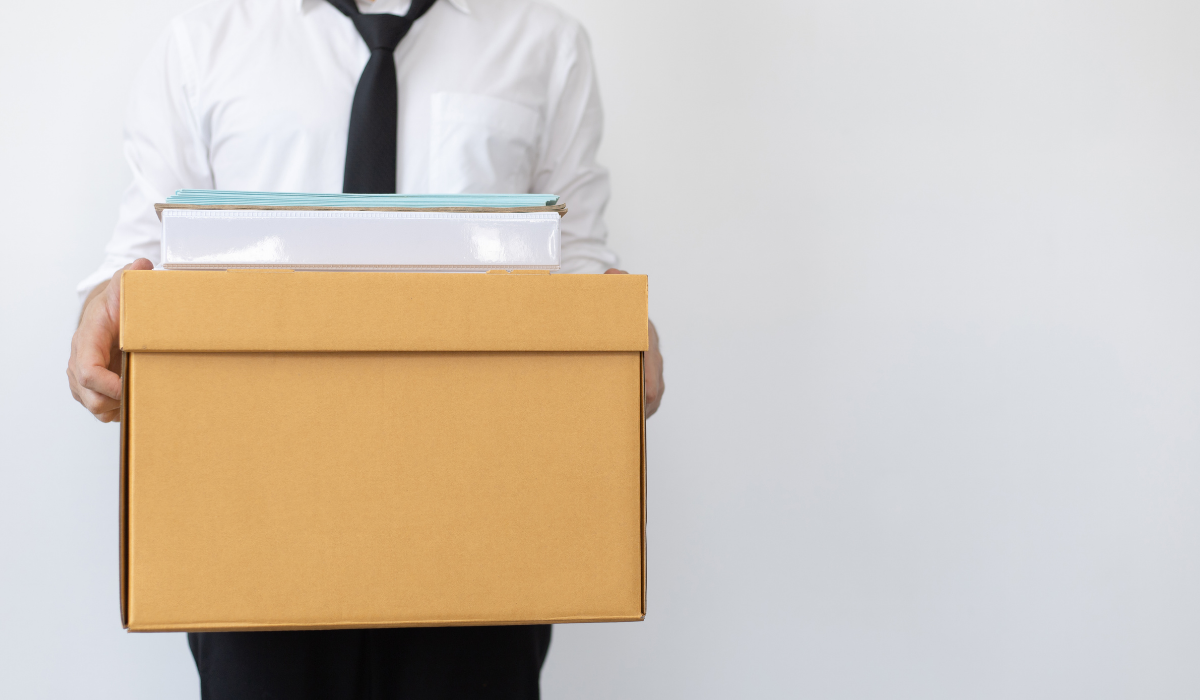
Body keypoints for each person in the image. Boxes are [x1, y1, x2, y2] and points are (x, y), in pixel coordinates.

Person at [64, 0, 665, 697]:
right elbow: (145, 254)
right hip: (257, 517)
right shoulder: (203, 44)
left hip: (479, 515)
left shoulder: (547, 43)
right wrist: (101, 311)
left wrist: (622, 336)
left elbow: (575, 255)